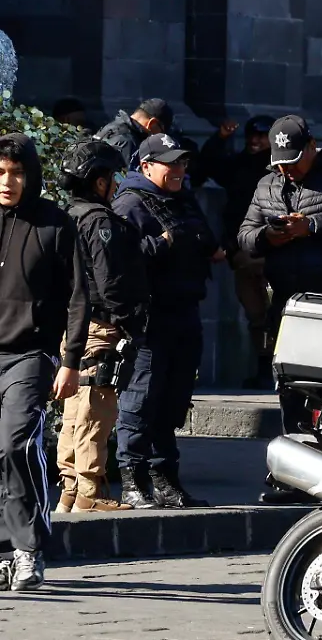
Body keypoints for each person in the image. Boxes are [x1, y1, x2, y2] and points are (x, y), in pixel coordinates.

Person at [238, 117, 322, 430]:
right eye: (280, 163)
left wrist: (312, 226)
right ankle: (294, 447)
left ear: (312, 147)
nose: (287, 169)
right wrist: (267, 237)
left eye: (294, 161)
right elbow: (245, 235)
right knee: (290, 386)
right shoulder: (267, 184)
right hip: (286, 303)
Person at [0, 133, 90, 591]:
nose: (7, 181)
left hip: (30, 355)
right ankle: (4, 552)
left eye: (16, 173)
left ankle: (28, 549)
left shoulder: (55, 223)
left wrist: (70, 361)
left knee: (15, 445)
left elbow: (79, 297)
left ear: (30, 175)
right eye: (0, 172)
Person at [112, 133, 221, 509]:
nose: (179, 169)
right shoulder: (129, 203)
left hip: (185, 311)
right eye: (170, 163)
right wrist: (162, 243)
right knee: (141, 400)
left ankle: (164, 480)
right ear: (146, 166)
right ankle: (132, 480)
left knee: (173, 400)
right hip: (150, 318)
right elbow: (118, 260)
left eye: (182, 163)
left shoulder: (183, 199)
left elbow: (208, 242)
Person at [56, 141, 150, 515]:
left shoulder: (67, 216)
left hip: (74, 324)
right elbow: (110, 282)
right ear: (98, 182)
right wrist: (128, 321)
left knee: (75, 409)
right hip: (100, 326)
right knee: (96, 409)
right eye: (112, 177)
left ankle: (69, 491)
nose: (116, 184)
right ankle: (89, 493)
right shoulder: (99, 221)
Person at [201, 115, 275, 387]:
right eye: (251, 136)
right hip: (243, 253)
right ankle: (265, 370)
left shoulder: (280, 170)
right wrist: (220, 138)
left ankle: (281, 370)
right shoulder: (240, 165)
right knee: (256, 315)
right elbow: (209, 165)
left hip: (271, 251)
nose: (255, 141)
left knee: (275, 313)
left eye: (262, 136)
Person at [93, 98, 174, 169]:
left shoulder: (111, 128)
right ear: (152, 123)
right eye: (162, 132)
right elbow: (131, 178)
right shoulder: (129, 142)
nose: (160, 137)